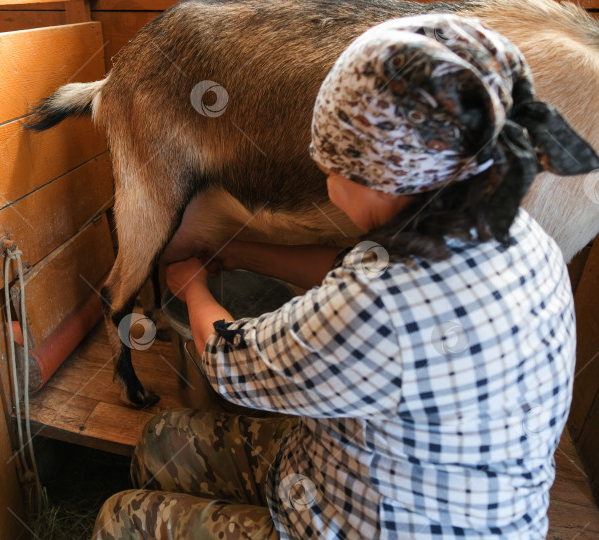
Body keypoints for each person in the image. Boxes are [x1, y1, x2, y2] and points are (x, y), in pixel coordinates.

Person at [92, 14, 599, 539]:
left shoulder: (380, 306)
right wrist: (242, 251)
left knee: (120, 517)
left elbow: (227, 364)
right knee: (160, 440)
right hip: (367, 475)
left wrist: (191, 287)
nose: (325, 176)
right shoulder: (498, 226)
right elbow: (345, 268)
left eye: (333, 164)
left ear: (382, 175)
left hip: (372, 526)